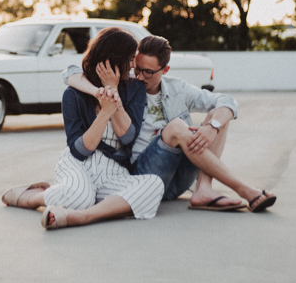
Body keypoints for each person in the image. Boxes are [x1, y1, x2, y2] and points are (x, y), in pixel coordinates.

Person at [65, 34, 276, 213]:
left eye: (147, 72)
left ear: (164, 70)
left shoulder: (178, 88)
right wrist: (102, 89)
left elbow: (227, 101)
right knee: (176, 127)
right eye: (136, 68)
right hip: (144, 174)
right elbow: (71, 72)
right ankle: (244, 190)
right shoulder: (127, 86)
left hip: (179, 178)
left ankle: (203, 188)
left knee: (218, 115)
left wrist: (212, 128)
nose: (139, 76)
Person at [1, 27, 164, 230]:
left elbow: (128, 138)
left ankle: (82, 217)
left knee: (154, 185)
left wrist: (113, 92)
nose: (133, 66)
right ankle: (32, 197)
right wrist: (104, 113)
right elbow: (80, 150)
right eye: (130, 59)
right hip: (79, 163)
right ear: (115, 58)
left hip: (114, 169)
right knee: (79, 197)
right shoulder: (74, 94)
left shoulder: (134, 88)